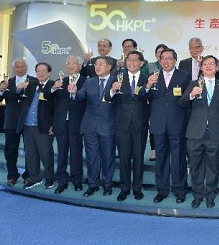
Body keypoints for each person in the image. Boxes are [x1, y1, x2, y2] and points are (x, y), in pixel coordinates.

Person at [139, 48, 191, 204]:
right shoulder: (152, 77)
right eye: (163, 58)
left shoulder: (184, 76)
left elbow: (187, 101)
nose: (166, 61)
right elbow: (142, 96)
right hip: (158, 124)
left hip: (178, 124)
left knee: (178, 159)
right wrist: (147, 85)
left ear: (175, 60)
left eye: (169, 58)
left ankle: (180, 190)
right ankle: (162, 190)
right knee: (160, 159)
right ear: (159, 60)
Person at [180, 55, 219, 208]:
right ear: (201, 67)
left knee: (213, 166)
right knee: (195, 166)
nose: (208, 66)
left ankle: (210, 195)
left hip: (215, 131)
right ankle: (197, 194)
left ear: (216, 67)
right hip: (195, 132)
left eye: (212, 64)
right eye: (205, 64)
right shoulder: (193, 83)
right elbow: (182, 103)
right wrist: (191, 94)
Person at [68, 56, 116, 197]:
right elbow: (79, 97)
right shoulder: (90, 82)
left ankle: (107, 184)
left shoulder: (117, 81)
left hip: (108, 125)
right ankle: (92, 184)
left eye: (101, 64)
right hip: (90, 126)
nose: (97, 67)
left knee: (108, 157)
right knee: (91, 157)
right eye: (96, 64)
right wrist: (73, 92)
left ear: (109, 67)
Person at [107, 51, 149, 201]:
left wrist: (148, 87)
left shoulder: (146, 79)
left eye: (135, 60)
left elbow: (149, 99)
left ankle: (137, 188)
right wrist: (113, 90)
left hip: (140, 124)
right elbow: (106, 97)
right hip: (122, 124)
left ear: (141, 63)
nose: (131, 63)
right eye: (129, 60)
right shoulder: (117, 77)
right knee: (124, 158)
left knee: (138, 158)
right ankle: (124, 188)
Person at [46, 55, 86, 194]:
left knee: (76, 153)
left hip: (77, 123)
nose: (70, 65)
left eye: (73, 63)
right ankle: (61, 181)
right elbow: (49, 99)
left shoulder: (86, 81)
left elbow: (86, 102)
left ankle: (77, 180)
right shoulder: (61, 81)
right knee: (62, 153)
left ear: (80, 66)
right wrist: (53, 89)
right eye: (68, 63)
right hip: (61, 123)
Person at [0, 58, 33, 186]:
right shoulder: (7, 82)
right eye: (18, 67)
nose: (20, 69)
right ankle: (12, 175)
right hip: (11, 121)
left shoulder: (34, 81)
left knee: (30, 150)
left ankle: (28, 175)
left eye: (23, 66)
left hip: (29, 121)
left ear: (27, 67)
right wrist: (2, 90)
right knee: (10, 150)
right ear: (14, 68)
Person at [16, 62, 56, 190]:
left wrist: (54, 124)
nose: (41, 73)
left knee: (46, 154)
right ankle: (35, 178)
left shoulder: (54, 85)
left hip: (43, 126)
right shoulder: (31, 84)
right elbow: (17, 97)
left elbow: (58, 107)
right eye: (38, 71)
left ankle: (50, 179)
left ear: (49, 72)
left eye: (43, 71)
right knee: (31, 155)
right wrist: (18, 89)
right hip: (27, 126)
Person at [140, 44, 167, 161]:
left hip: (167, 101)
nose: (160, 54)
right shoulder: (150, 66)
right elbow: (141, 77)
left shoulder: (169, 65)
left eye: (163, 52)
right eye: (158, 52)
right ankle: (153, 150)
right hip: (153, 100)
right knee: (154, 127)